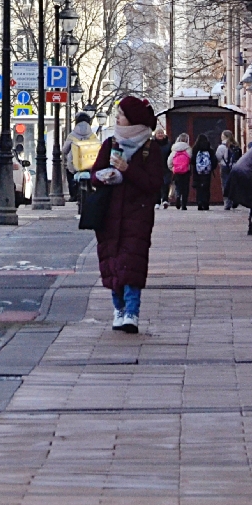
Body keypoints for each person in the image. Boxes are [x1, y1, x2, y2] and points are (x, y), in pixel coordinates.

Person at [93, 96, 165, 332]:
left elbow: (154, 184)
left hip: (138, 215)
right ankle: (119, 309)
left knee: (131, 262)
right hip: (110, 215)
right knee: (113, 262)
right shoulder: (110, 143)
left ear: (133, 120)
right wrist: (104, 176)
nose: (117, 118)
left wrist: (128, 170)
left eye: (121, 115)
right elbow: (95, 174)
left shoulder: (149, 148)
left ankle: (132, 313)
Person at [68, 112, 104, 204]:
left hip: (76, 163)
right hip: (90, 162)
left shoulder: (72, 135)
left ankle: (73, 195)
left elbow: (64, 150)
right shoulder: (93, 135)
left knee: (69, 169)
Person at [166, 133, 192, 209]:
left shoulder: (174, 149)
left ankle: (177, 196)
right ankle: (184, 204)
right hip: (186, 171)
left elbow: (169, 161)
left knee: (178, 186)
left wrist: (172, 168)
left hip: (177, 172)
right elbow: (190, 159)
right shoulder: (188, 149)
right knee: (185, 187)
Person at [191, 135, 214, 210]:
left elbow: (192, 161)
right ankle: (206, 203)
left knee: (199, 188)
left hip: (197, 172)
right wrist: (211, 168)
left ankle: (199, 202)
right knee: (206, 188)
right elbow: (214, 160)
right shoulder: (210, 149)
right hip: (207, 172)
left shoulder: (195, 149)